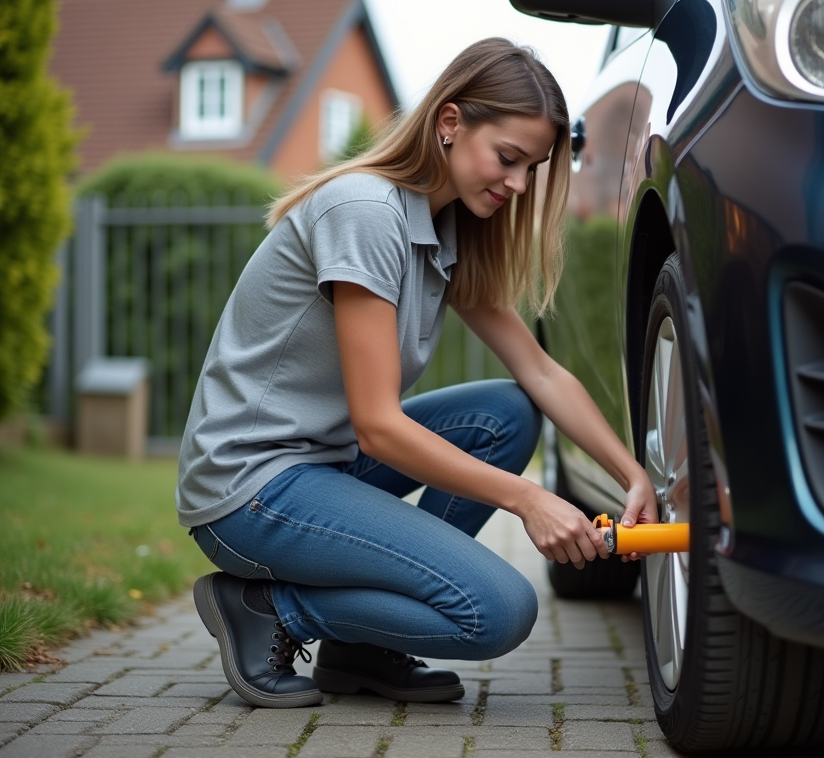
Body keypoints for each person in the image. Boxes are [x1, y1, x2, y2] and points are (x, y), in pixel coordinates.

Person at [176, 38, 656, 709]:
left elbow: (542, 373)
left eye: (533, 167)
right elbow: (378, 426)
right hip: (251, 489)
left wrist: (633, 475)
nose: (520, 185)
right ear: (450, 122)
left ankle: (360, 650)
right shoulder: (365, 213)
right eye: (508, 159)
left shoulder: (444, 229)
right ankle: (272, 610)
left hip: (324, 467)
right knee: (497, 610)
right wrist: (527, 499)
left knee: (507, 412)